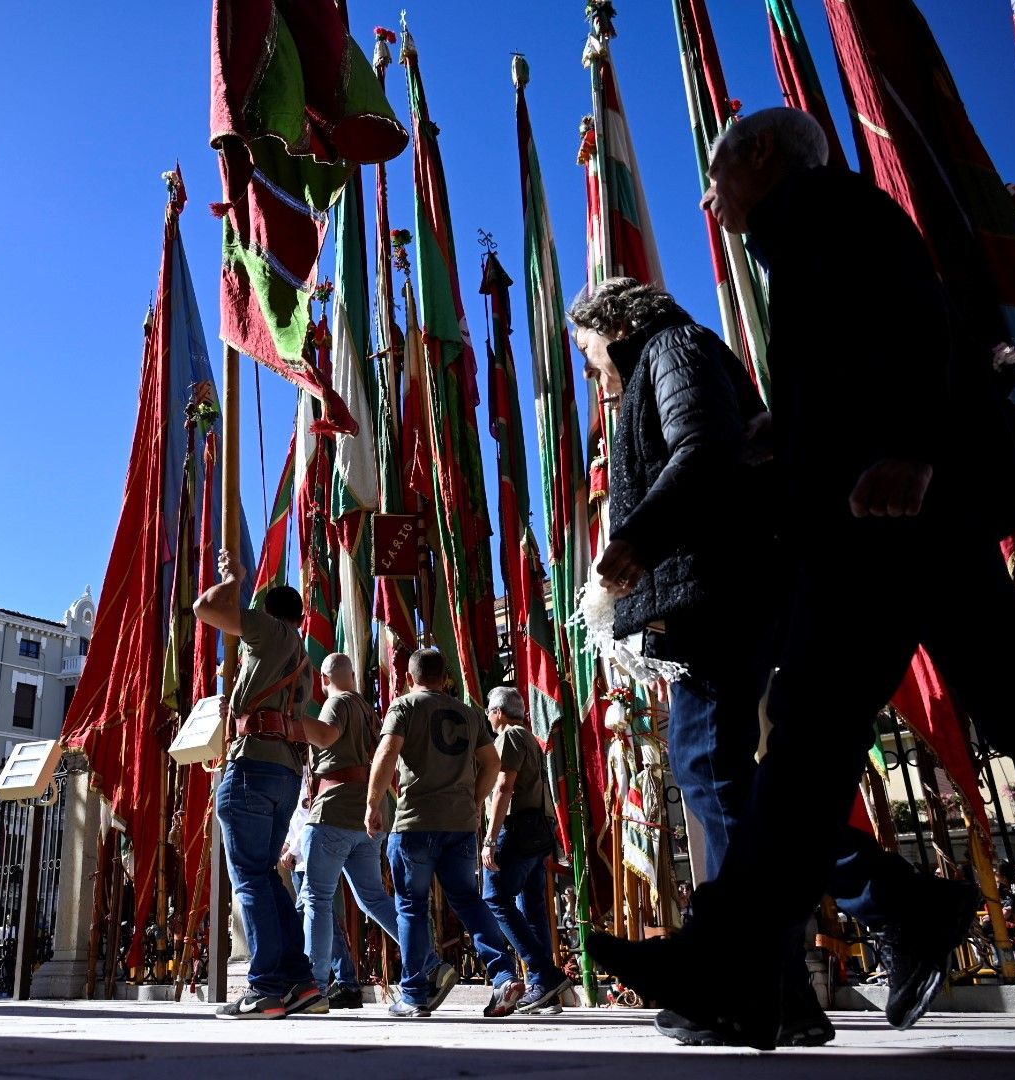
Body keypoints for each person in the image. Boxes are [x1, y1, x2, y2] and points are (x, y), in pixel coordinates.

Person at [587, 107, 1015, 1056]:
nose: (710, 200)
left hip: (896, 518)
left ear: (759, 155)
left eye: (717, 178)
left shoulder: (831, 210)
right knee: (828, 747)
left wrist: (911, 446)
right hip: (870, 527)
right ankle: (744, 961)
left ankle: (743, 959)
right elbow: (860, 360)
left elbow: (918, 319)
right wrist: (789, 432)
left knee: (956, 731)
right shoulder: (805, 236)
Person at [571, 273, 971, 1047]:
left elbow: (702, 447)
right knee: (722, 776)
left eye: (589, 353)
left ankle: (833, 938)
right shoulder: (668, 357)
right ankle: (777, 986)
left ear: (615, 323)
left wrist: (636, 541)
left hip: (721, 588)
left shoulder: (673, 347)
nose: (595, 373)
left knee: (714, 773)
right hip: (721, 587)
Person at [193, 551, 321, 1019]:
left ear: (268, 614)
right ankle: (300, 981)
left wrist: (233, 577)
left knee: (248, 876)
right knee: (265, 875)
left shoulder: (270, 633)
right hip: (285, 771)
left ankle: (265, 987)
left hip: (252, 767)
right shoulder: (302, 659)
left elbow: (205, 608)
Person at [366, 648, 522, 1018]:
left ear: (409, 677)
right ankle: (503, 975)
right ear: (446, 678)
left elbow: (387, 751)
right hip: (461, 825)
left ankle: (415, 995)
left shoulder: (404, 707)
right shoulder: (470, 713)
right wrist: (473, 798)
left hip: (417, 822)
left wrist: (373, 804)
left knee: (411, 906)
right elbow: (493, 763)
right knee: (469, 900)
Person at [295, 652, 402, 1011]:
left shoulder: (336, 703)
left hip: (334, 811)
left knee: (317, 899)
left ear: (324, 679)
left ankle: (314, 984)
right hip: (367, 814)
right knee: (373, 897)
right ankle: (426, 958)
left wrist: (290, 719)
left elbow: (326, 736)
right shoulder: (367, 708)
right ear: (352, 675)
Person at [480, 686, 570, 1015]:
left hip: (516, 829)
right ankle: (545, 991)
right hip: (537, 830)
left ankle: (545, 974)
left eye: (490, 710)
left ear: (499, 713)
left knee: (495, 897)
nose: (488, 716)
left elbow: (505, 786)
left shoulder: (509, 737)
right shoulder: (530, 737)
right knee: (532, 907)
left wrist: (490, 838)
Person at [278, 781, 357, 1003]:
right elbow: (295, 817)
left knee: (306, 914)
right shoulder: (297, 775)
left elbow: (313, 816)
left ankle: (313, 983)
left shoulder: (314, 776)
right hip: (298, 859)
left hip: (309, 856)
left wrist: (292, 848)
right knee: (324, 919)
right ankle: (345, 982)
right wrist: (286, 844)